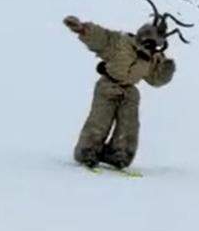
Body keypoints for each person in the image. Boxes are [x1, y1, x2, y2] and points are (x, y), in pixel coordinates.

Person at [63, 14, 176, 170]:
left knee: (129, 124)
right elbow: (103, 38)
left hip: (129, 91)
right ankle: (88, 150)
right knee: (100, 119)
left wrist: (166, 71)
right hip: (108, 85)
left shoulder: (151, 58)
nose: (149, 45)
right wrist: (83, 29)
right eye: (147, 39)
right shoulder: (120, 42)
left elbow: (155, 79)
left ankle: (119, 153)